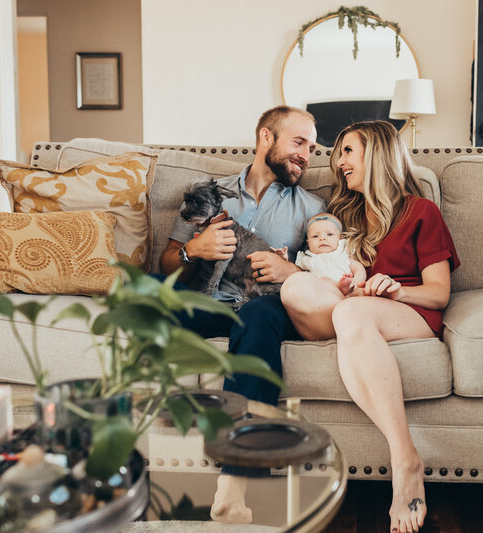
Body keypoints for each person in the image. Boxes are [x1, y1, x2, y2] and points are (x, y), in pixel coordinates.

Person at [280, 121, 460, 533]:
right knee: (295, 287)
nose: (338, 162)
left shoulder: (420, 212)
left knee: (350, 314)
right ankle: (353, 328)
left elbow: (438, 294)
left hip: (407, 310)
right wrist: (339, 285)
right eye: (339, 152)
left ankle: (405, 458)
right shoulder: (340, 216)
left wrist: (395, 291)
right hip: (353, 306)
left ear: (377, 153)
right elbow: (320, 276)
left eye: (348, 151)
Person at [159, 105, 325, 522]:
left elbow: (325, 274)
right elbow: (165, 263)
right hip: (209, 301)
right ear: (266, 138)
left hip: (267, 305)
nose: (307, 155)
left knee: (257, 319)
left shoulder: (312, 207)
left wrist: (292, 269)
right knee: (152, 313)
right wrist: (192, 250)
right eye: (299, 142)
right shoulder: (208, 192)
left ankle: (234, 479)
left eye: (312, 147)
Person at [273, 212, 366, 306]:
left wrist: (356, 283)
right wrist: (283, 259)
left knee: (362, 292)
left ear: (340, 238)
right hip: (319, 298)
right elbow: (295, 274)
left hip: (348, 295)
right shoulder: (307, 258)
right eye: (315, 236)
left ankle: (344, 288)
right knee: (320, 280)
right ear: (308, 243)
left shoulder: (342, 253)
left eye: (329, 234)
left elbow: (359, 269)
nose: (322, 238)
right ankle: (339, 287)